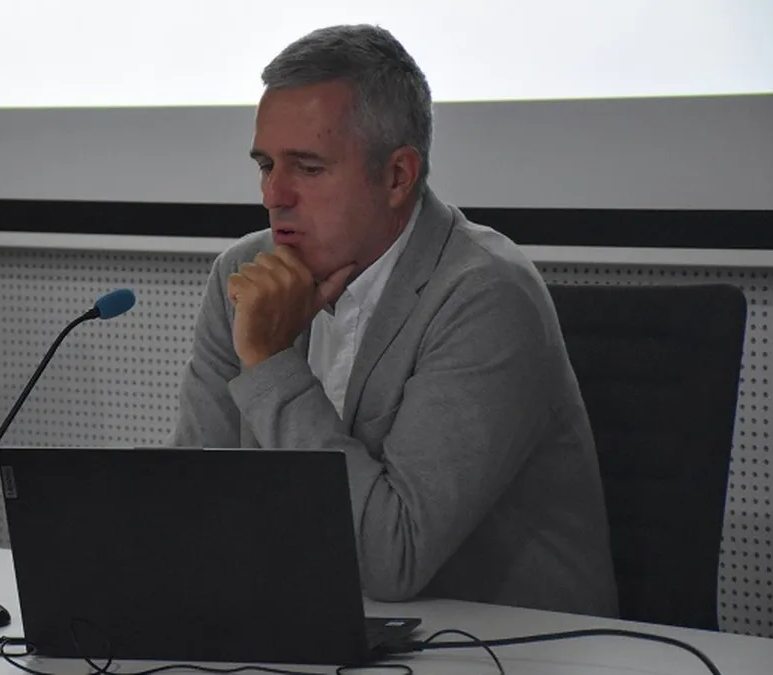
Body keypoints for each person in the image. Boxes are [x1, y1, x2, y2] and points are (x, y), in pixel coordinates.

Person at [168, 24, 619, 618]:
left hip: (504, 645)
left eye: (308, 168)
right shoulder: (243, 276)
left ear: (397, 176)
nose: (273, 194)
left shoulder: (485, 295)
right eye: (266, 164)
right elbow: (191, 505)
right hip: (307, 624)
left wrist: (271, 362)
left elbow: (391, 560)